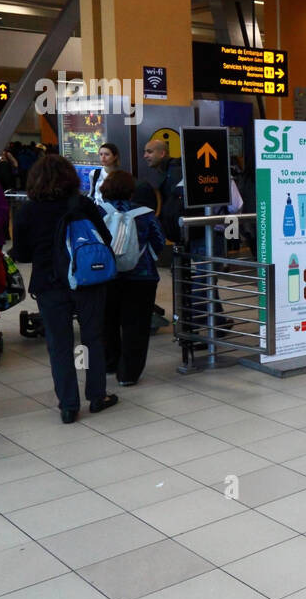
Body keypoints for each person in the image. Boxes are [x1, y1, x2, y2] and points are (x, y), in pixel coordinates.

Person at [12, 154, 117, 424]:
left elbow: (22, 253)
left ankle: (69, 405)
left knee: (59, 344)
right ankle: (97, 396)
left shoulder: (28, 210)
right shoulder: (82, 204)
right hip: (87, 281)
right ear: (70, 177)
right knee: (93, 338)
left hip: (49, 283)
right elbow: (104, 239)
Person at [98, 170, 165, 387]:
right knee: (136, 325)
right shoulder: (145, 213)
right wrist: (144, 256)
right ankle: (129, 373)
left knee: (108, 321)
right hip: (141, 277)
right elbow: (159, 241)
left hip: (107, 276)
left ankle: (109, 363)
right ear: (131, 190)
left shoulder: (98, 212)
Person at [143, 137, 183, 246]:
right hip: (176, 234)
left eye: (149, 152)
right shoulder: (163, 172)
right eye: (145, 152)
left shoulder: (176, 172)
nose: (145, 156)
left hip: (186, 234)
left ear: (162, 154)